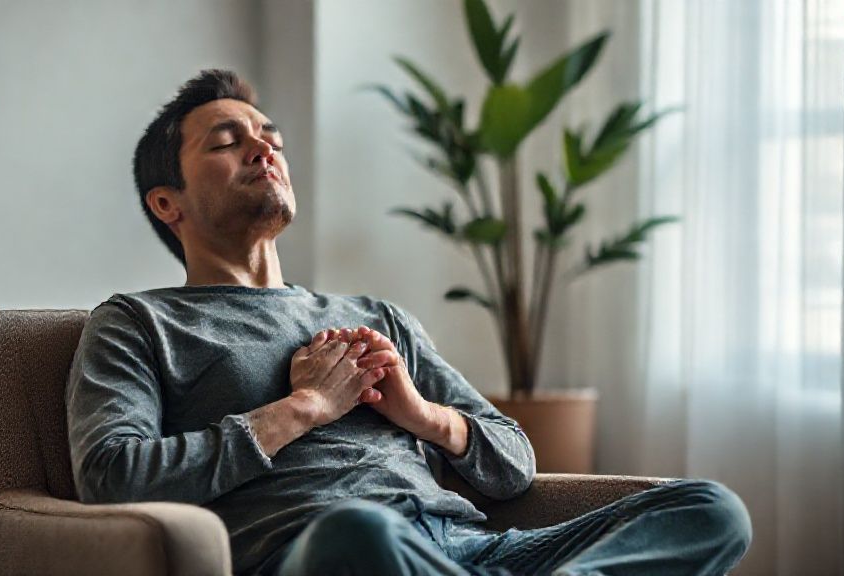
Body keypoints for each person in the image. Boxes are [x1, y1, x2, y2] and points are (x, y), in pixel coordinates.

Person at [65, 69, 752, 576]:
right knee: (357, 534)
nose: (263, 149)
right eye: (227, 140)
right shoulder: (138, 322)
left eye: (269, 137)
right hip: (326, 554)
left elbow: (513, 462)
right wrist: (303, 407)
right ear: (167, 203)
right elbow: (112, 476)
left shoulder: (372, 318)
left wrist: (420, 414)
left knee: (709, 508)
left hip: (467, 552)